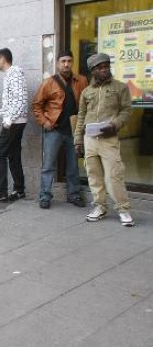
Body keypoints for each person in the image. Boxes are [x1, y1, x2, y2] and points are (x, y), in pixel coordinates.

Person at [74, 53, 134, 226]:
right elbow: (81, 116)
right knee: (94, 176)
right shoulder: (87, 92)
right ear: (93, 71)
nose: (104, 70)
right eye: (100, 68)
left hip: (109, 139)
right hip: (90, 139)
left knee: (114, 175)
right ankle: (100, 207)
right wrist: (78, 140)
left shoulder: (120, 87)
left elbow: (126, 111)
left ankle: (123, 209)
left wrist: (114, 125)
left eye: (106, 66)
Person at [32, 50, 88, 209]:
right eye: (63, 61)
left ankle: (74, 194)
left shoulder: (82, 80)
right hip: (54, 129)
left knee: (73, 165)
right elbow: (36, 105)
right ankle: (45, 196)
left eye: (69, 61)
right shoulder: (49, 83)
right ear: (57, 63)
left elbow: (87, 103)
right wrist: (44, 122)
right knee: (48, 165)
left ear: (73, 63)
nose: (66, 64)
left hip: (74, 130)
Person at [0, 48, 28, 203]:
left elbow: (20, 99)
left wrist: (9, 120)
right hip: (16, 121)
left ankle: (0, 193)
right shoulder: (11, 75)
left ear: (2, 59)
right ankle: (19, 190)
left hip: (14, 122)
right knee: (13, 154)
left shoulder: (14, 73)